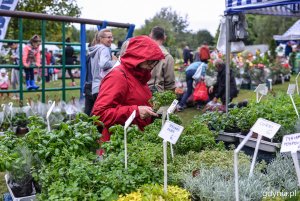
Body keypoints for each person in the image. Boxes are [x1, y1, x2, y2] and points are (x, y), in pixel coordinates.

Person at [91, 35, 164, 142]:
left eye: (155, 62)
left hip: (134, 139)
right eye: (150, 61)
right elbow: (99, 114)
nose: (152, 65)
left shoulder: (139, 75)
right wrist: (135, 111)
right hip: (118, 144)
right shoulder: (118, 76)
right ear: (138, 57)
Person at [85, 29, 118, 115]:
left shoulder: (95, 49)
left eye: (112, 37)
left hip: (95, 86)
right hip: (103, 87)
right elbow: (103, 64)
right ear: (101, 39)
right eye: (108, 37)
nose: (111, 39)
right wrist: (115, 62)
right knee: (103, 116)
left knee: (94, 115)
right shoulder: (104, 49)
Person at [148, 26, 175, 93]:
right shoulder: (167, 57)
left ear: (150, 36)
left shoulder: (142, 52)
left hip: (140, 93)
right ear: (164, 37)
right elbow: (169, 82)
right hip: (158, 95)